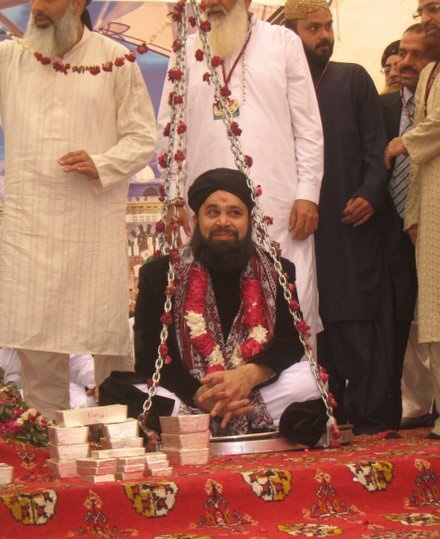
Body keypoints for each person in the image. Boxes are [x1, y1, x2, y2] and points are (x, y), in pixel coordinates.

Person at [0, 0, 156, 420]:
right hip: (31, 225)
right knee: (37, 342)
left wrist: (102, 163)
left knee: (106, 340)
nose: (37, 8)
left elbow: (142, 137)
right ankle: (46, 445)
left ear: (77, 3)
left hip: (91, 225)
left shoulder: (114, 60)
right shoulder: (10, 59)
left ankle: (118, 437)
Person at [157, 0, 324, 354]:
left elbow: (308, 127)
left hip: (278, 204)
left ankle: (296, 384)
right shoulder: (185, 51)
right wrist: (173, 194)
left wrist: (308, 192)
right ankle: (216, 382)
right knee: (210, 302)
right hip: (207, 210)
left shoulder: (282, 43)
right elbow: (169, 130)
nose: (212, 2)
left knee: (290, 296)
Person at [129, 168, 327, 447]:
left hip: (254, 390)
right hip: (189, 395)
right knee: (125, 391)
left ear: (250, 221)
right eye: (213, 213)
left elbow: (290, 342)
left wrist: (248, 375)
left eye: (234, 213)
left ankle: (201, 427)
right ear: (196, 220)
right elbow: (150, 356)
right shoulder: (161, 274)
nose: (223, 222)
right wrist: (199, 394)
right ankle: (229, 418)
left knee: (310, 379)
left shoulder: (277, 270)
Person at [284, 0, 395, 434]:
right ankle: (325, 418)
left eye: (328, 27)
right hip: (299, 228)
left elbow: (376, 146)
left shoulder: (352, 78)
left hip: (349, 224)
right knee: (310, 319)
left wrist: (371, 193)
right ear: (291, 34)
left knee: (355, 318)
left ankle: (372, 421)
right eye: (313, 28)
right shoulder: (279, 85)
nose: (324, 36)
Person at [385, 0, 440, 440]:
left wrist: (406, 141)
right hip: (434, 213)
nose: (426, 18)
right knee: (437, 316)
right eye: (422, 10)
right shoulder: (429, 73)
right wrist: (413, 213)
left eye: (435, 8)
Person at [380, 24, 433, 429]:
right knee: (403, 317)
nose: (405, 63)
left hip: (435, 224)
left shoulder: (439, 107)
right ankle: (410, 405)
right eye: (402, 56)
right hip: (389, 230)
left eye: (417, 55)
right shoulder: (382, 106)